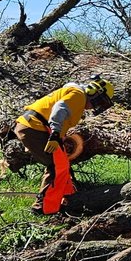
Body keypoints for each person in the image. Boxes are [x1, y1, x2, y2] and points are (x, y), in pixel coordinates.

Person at [15, 76, 115, 212]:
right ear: (93, 92)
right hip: (34, 128)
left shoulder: (76, 95)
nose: (97, 105)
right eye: (100, 101)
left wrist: (58, 137)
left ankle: (66, 198)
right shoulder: (78, 95)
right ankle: (42, 206)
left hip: (34, 126)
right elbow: (59, 109)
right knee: (56, 166)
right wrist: (55, 134)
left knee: (62, 164)